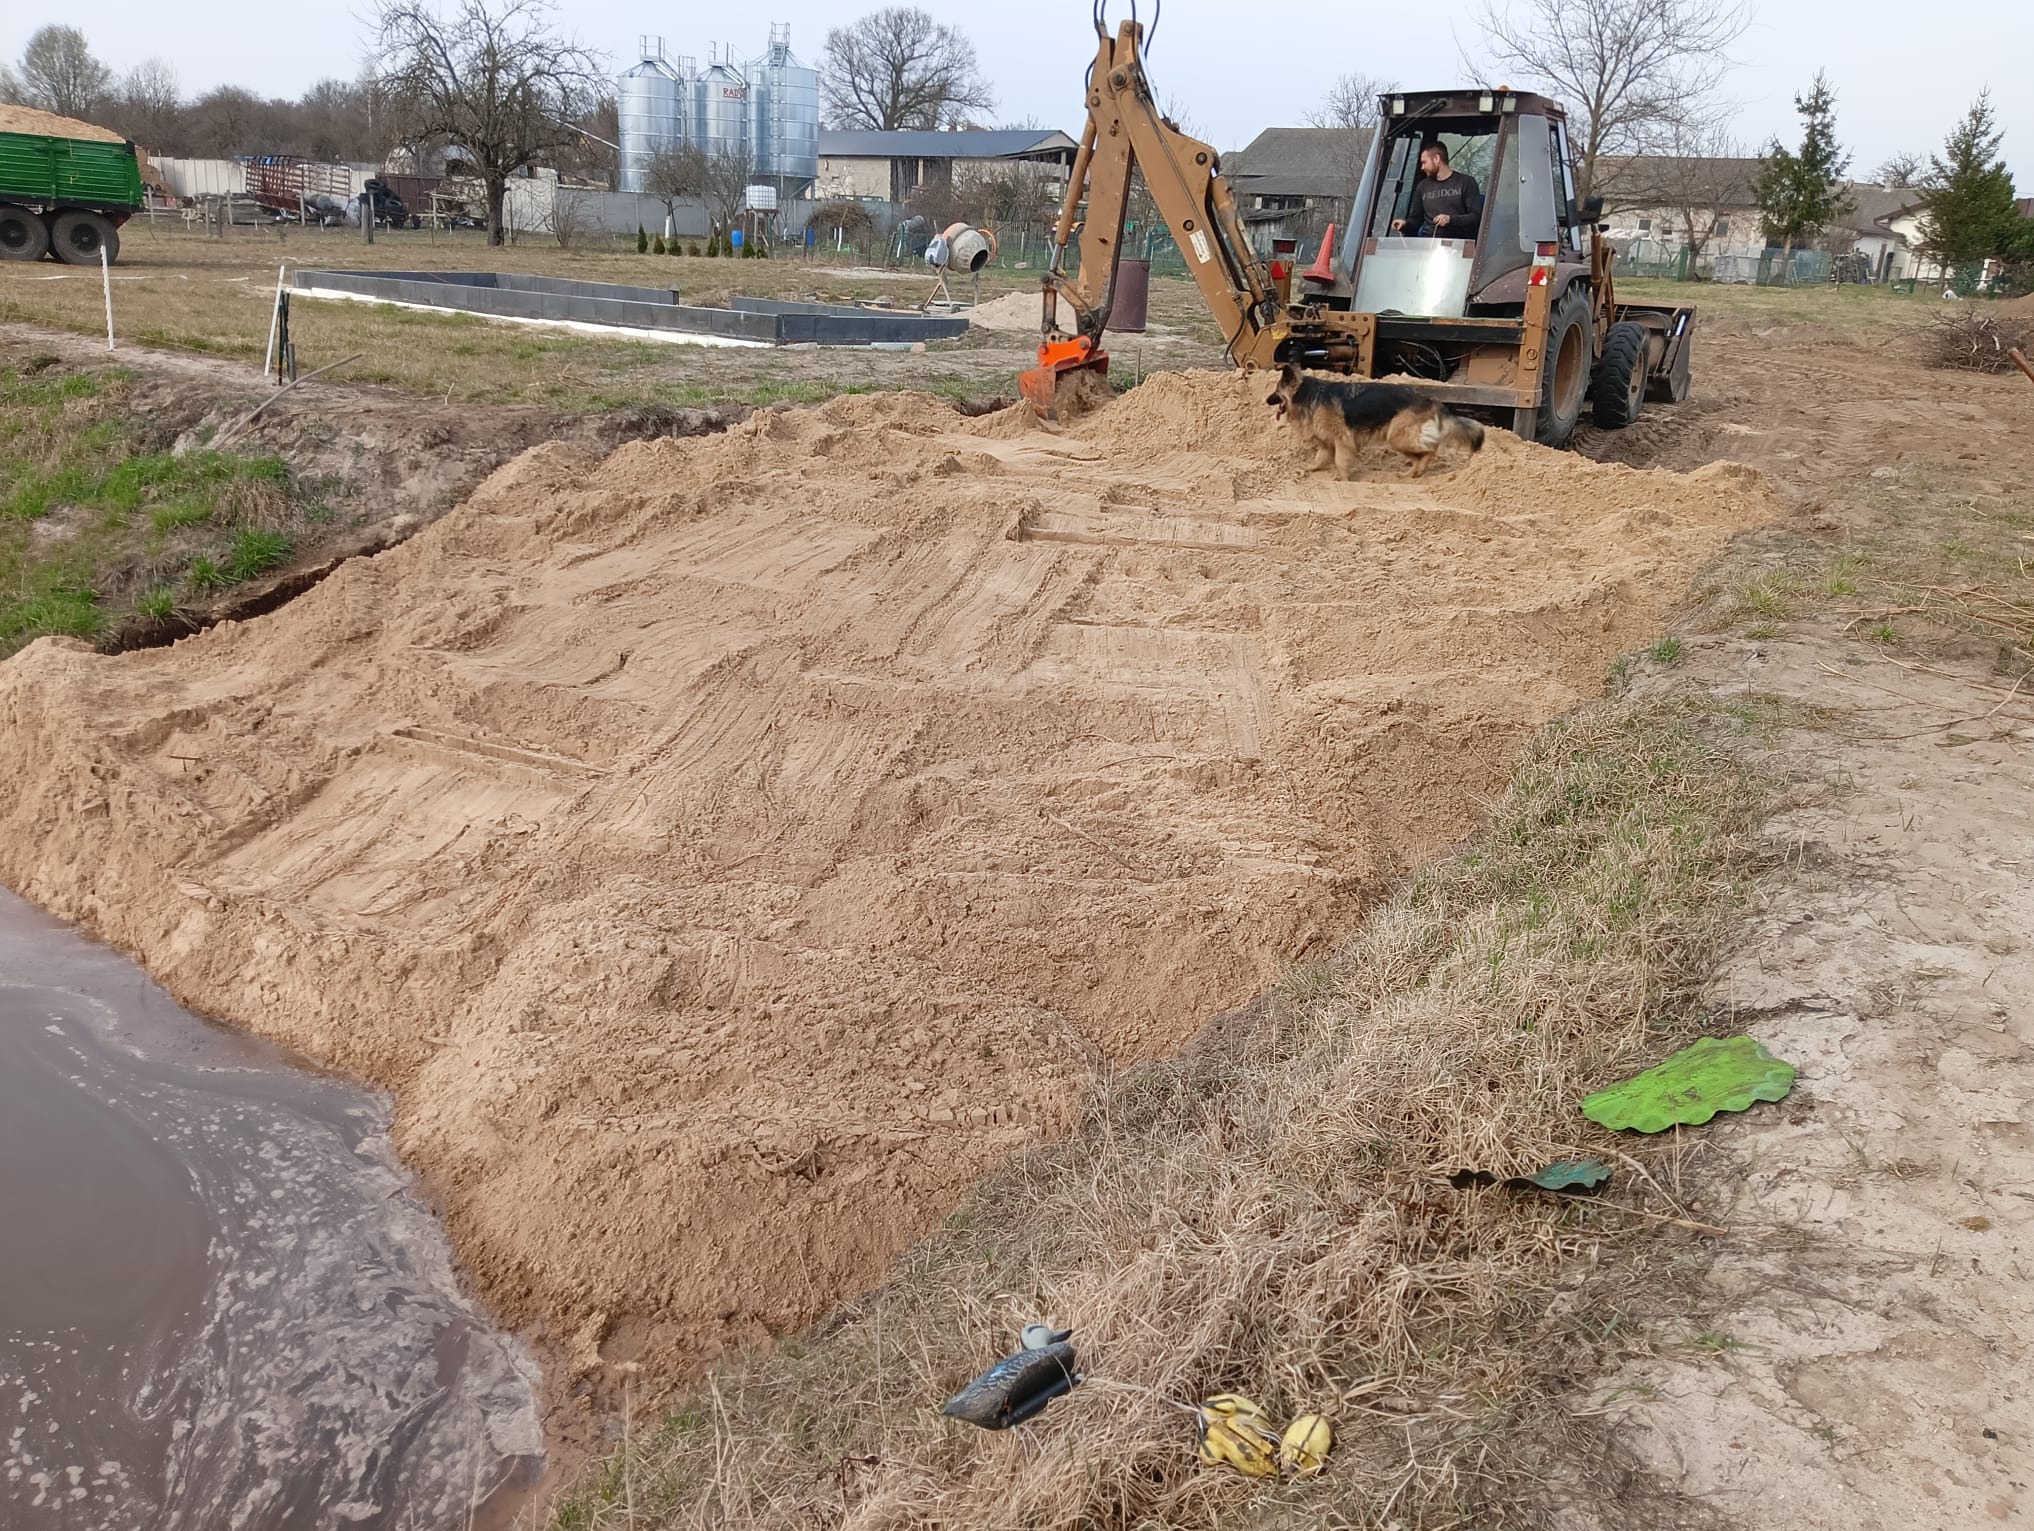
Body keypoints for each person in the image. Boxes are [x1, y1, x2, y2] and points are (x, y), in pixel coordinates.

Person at [1391, 142, 1483, 238]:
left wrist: (1450, 219)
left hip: (1459, 243)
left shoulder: (1466, 182)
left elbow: (1476, 217)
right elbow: (1415, 220)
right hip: (1429, 243)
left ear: (1436, 159)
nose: (1422, 168)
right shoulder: (1423, 186)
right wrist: (1405, 224)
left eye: (1424, 162)